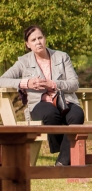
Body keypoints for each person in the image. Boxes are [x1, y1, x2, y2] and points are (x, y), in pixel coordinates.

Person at [0, 25, 84, 166]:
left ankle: (62, 162)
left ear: (45, 39)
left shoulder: (62, 57)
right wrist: (27, 83)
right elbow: (2, 80)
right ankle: (63, 147)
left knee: (77, 116)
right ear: (28, 44)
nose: (38, 42)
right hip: (40, 104)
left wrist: (53, 84)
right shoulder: (23, 62)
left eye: (40, 38)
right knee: (50, 113)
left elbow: (74, 83)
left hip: (65, 100)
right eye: (33, 40)